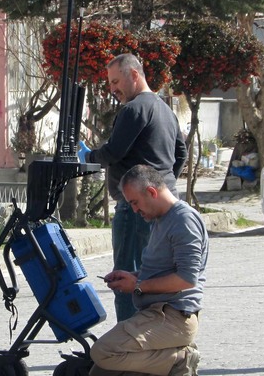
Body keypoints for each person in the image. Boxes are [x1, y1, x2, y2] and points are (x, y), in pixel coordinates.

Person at [78, 53, 187, 322]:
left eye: (116, 81)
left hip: (134, 207)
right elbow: (181, 154)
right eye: (110, 83)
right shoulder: (166, 110)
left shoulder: (134, 109)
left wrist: (88, 157)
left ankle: (126, 340)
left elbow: (114, 152)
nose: (112, 88)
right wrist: (163, 186)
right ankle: (155, 334)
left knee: (126, 275)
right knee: (156, 273)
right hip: (164, 203)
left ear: (134, 75)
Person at [89, 165, 207, 376]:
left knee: (103, 353)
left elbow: (186, 278)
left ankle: (180, 359)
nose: (134, 210)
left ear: (152, 192)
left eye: (134, 202)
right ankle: (172, 359)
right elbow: (161, 271)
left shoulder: (183, 221)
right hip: (155, 312)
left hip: (173, 316)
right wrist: (132, 275)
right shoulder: (161, 220)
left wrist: (138, 285)